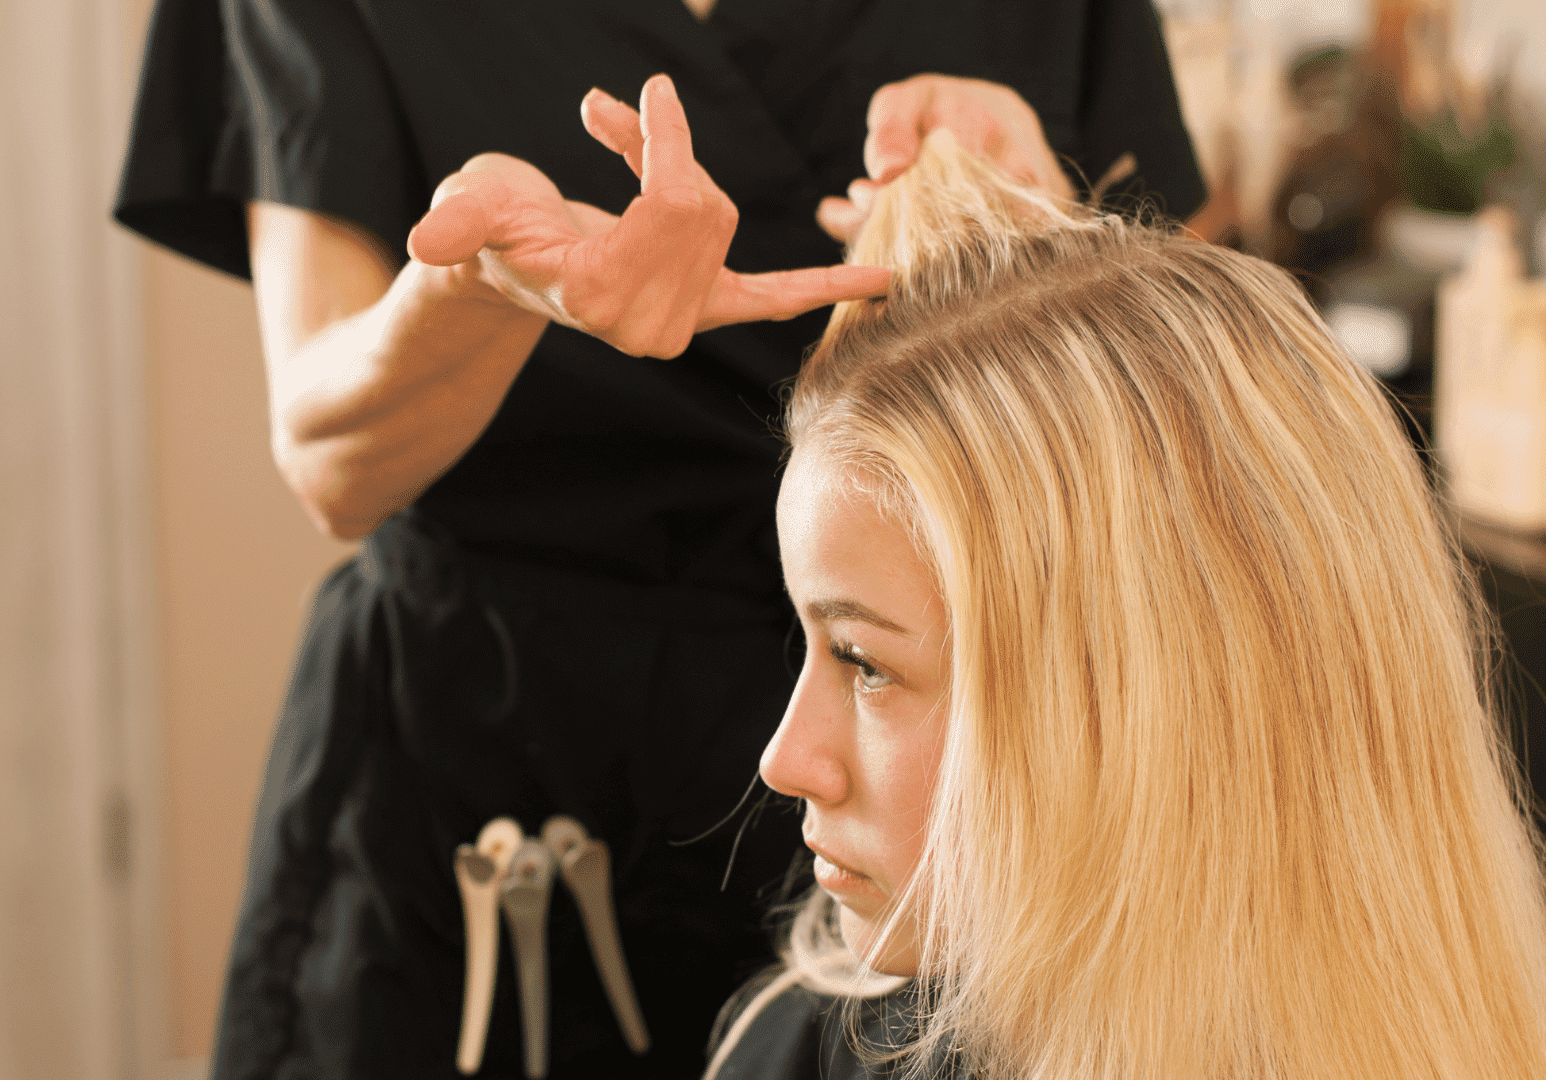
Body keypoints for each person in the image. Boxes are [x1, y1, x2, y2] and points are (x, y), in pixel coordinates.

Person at [113, 2, 1207, 1077]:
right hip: (493, 786)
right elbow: (330, 464)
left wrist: (1053, 233)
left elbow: (1205, 425)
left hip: (927, 780)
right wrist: (480, 288)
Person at [706, 128, 1546, 1079]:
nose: (785, 761)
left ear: (1150, 705)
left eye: (864, 662)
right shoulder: (805, 1046)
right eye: (811, 645)